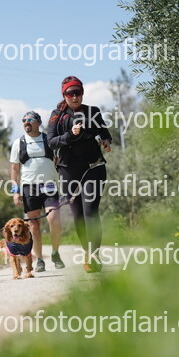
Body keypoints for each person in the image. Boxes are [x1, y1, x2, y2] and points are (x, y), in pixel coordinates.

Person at [47, 76, 112, 273]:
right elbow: (51, 142)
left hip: (94, 166)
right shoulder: (57, 116)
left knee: (90, 210)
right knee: (78, 215)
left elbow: (105, 133)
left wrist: (106, 141)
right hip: (69, 170)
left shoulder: (93, 112)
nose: (75, 97)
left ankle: (94, 255)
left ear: (82, 93)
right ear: (64, 95)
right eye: (70, 93)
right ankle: (87, 251)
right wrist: (70, 135)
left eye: (78, 92)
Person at [10, 111, 66, 271]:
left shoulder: (49, 140)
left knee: (54, 219)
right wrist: (15, 190)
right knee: (33, 225)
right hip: (29, 187)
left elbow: (59, 161)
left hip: (49, 185)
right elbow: (14, 169)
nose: (26, 122)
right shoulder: (18, 143)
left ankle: (55, 252)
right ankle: (40, 259)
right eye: (24, 120)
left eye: (30, 119)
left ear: (39, 122)